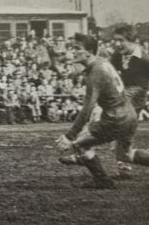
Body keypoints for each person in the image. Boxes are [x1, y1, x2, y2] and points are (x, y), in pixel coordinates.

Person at [56, 33, 149, 188]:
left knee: (79, 144)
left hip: (115, 118)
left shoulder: (96, 72)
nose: (73, 51)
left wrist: (69, 136)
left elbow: (87, 108)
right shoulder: (102, 62)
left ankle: (102, 181)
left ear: (89, 51)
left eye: (77, 48)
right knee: (125, 155)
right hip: (129, 114)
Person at [108, 25, 149, 178]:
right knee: (122, 136)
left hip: (136, 94)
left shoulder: (143, 58)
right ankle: (124, 165)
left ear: (132, 41)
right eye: (115, 40)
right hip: (124, 94)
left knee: (118, 125)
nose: (117, 44)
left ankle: (123, 162)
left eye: (121, 40)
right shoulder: (117, 56)